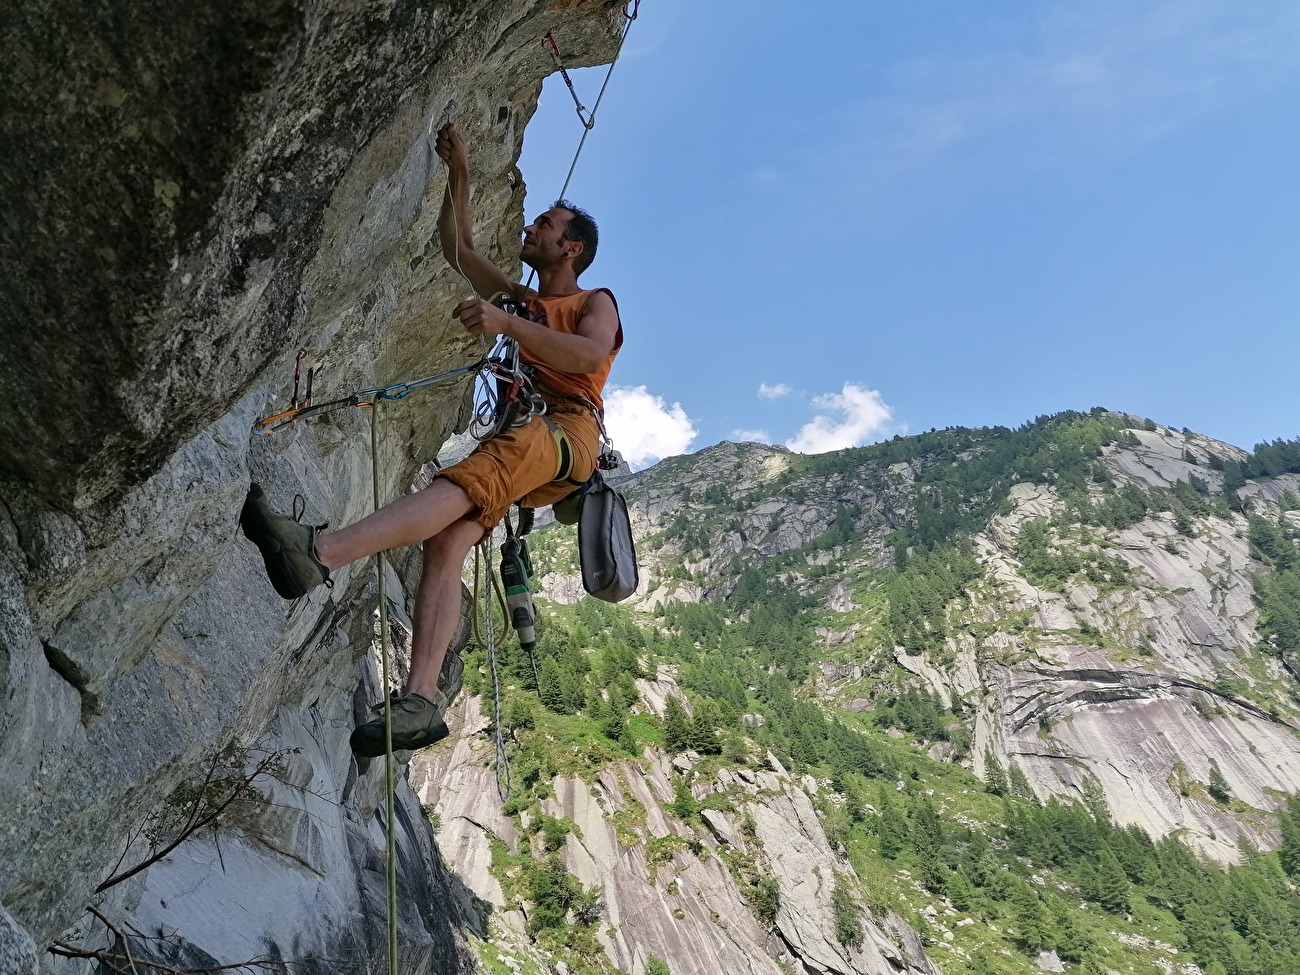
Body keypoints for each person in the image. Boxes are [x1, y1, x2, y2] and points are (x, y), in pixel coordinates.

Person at [240, 123, 622, 754]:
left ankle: (322, 553)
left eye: (545, 226)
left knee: (465, 481)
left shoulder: (593, 302)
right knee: (449, 540)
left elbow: (586, 357)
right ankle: (421, 702)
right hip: (541, 441)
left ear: (572, 248)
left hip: (565, 431)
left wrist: (504, 320)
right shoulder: (523, 300)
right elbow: (457, 247)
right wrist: (461, 172)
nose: (531, 229)